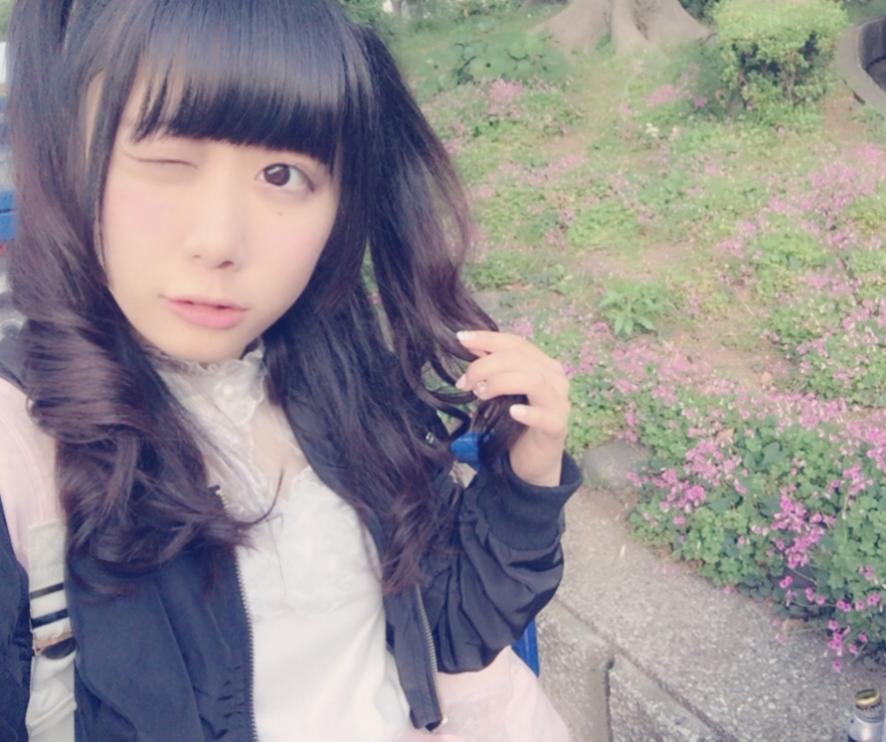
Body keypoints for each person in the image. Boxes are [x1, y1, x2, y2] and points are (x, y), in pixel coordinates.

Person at [0, 1, 582, 740]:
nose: (219, 241)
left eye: (282, 175)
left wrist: (528, 478)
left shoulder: (344, 381)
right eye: (168, 161)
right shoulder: (24, 447)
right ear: (72, 161)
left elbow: (453, 633)